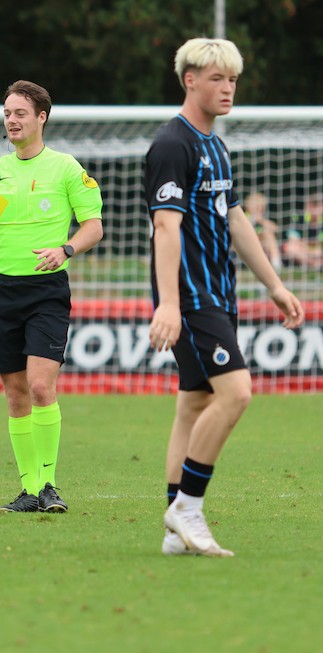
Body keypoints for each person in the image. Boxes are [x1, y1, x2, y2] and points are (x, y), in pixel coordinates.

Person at [144, 38, 304, 557]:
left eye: (232, 79)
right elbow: (165, 228)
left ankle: (175, 534)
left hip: (218, 292)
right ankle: (187, 507)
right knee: (236, 393)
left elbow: (235, 220)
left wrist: (275, 286)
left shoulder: (215, 144)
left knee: (194, 403)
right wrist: (168, 303)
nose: (228, 87)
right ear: (190, 80)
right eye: (217, 78)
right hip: (191, 297)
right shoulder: (173, 144)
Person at [0, 80, 104, 515]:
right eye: (7, 113)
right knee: (16, 394)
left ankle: (50, 484)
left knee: (40, 387)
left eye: (20, 113)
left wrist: (66, 249)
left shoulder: (65, 169)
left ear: (41, 118)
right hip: (3, 292)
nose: (12, 120)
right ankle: (29, 489)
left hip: (47, 292)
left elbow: (93, 225)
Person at [281, 190, 323, 269]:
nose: (318, 209)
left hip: (317, 252)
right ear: (308, 206)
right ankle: (315, 266)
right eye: (314, 205)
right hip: (303, 252)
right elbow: (292, 242)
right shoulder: (299, 220)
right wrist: (311, 250)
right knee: (290, 248)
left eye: (319, 205)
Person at [243, 192, 283, 271]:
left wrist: (261, 221)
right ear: (248, 206)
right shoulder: (245, 217)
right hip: (248, 246)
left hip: (263, 247)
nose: (260, 209)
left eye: (261, 207)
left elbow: (276, 228)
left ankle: (276, 263)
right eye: (257, 207)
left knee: (268, 234)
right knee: (266, 234)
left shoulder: (261, 220)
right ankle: (275, 263)